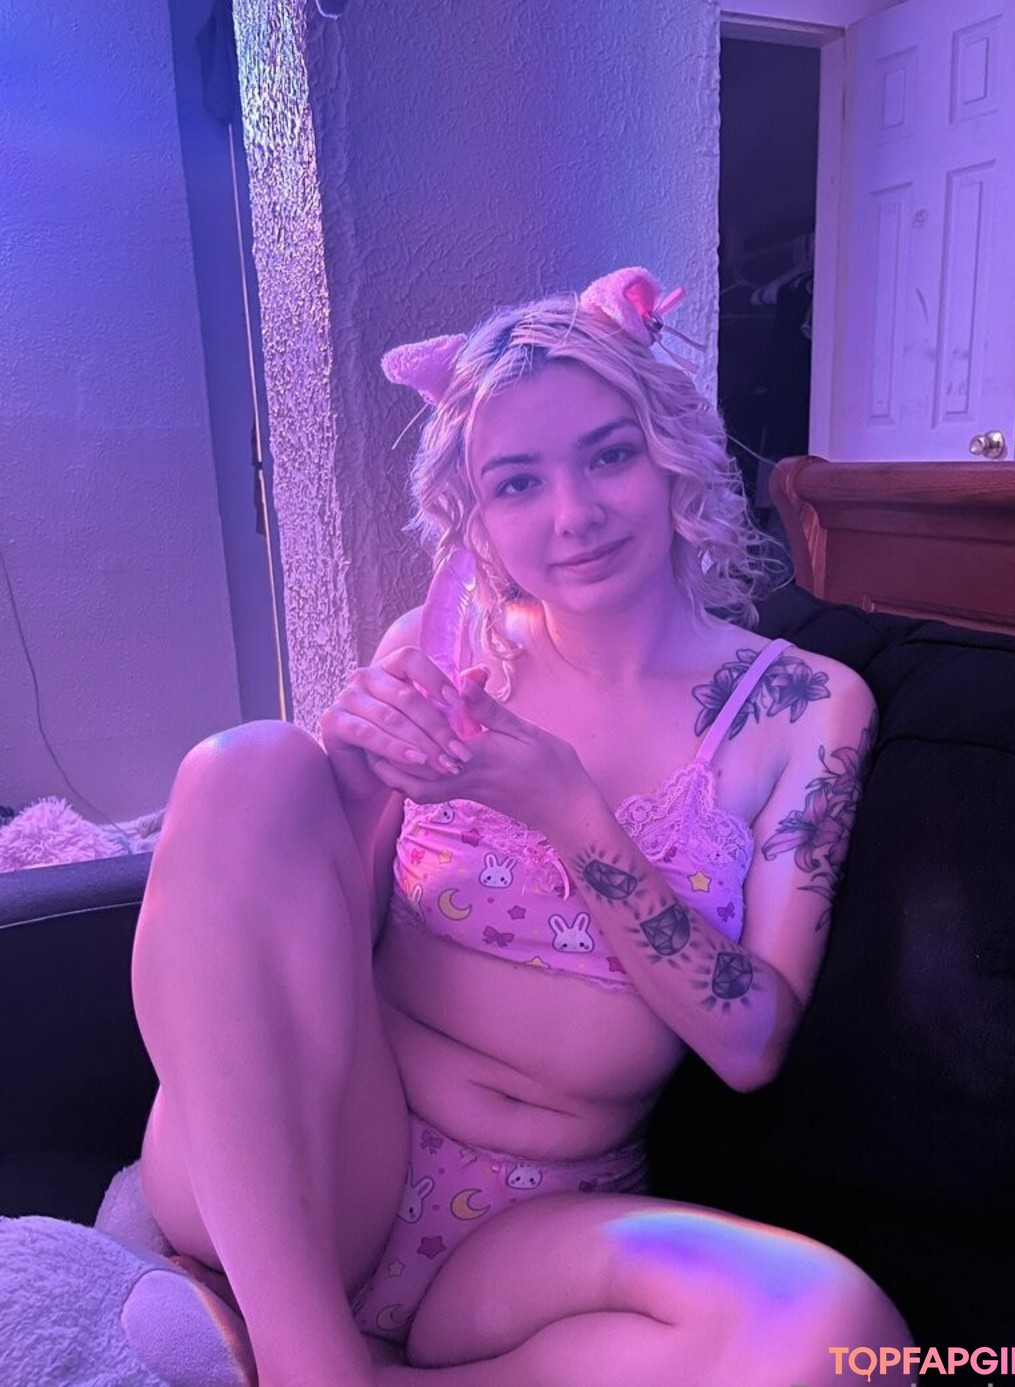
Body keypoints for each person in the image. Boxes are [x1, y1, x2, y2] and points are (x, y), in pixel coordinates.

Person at [130, 268, 909, 1387]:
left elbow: (750, 1046)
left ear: (673, 453)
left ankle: (319, 1362)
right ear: (477, 510)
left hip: (538, 1225)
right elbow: (307, 944)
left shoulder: (803, 707)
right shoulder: (450, 646)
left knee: (843, 1337)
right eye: (517, 482)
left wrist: (567, 807)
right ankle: (310, 1359)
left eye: (609, 455)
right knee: (248, 766)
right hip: (320, 1153)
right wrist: (354, 785)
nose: (573, 514)